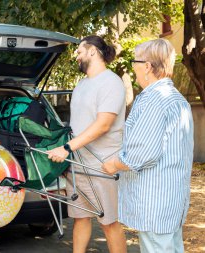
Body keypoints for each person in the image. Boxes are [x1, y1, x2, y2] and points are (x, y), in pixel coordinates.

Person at [102, 39, 194, 253]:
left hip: (156, 201)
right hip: (171, 198)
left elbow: (141, 153)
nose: (133, 67)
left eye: (135, 61)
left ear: (147, 66)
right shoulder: (177, 99)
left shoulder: (154, 100)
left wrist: (114, 165)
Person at [46, 35, 127, 253]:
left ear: (92, 51)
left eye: (79, 51)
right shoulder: (82, 84)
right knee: (80, 218)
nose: (76, 56)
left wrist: (66, 149)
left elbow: (103, 125)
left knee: (109, 222)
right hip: (78, 165)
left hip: (103, 165)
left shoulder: (111, 82)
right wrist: (68, 156)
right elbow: (78, 125)